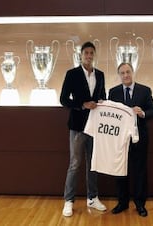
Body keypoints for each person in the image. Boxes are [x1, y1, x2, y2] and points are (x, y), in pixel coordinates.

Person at [59, 41, 107, 217]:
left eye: (91, 53)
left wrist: (102, 102)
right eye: (86, 53)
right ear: (81, 55)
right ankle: (69, 201)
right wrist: (82, 105)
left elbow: (103, 96)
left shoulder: (100, 75)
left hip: (95, 127)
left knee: (93, 165)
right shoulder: (72, 74)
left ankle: (92, 198)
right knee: (74, 164)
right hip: (78, 127)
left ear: (94, 55)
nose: (88, 55)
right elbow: (63, 99)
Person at [108, 62, 153, 217]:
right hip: (120, 139)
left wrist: (142, 113)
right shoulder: (113, 92)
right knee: (120, 171)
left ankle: (140, 204)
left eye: (128, 72)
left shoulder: (144, 90)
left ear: (132, 72)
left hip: (139, 138)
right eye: (122, 73)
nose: (125, 75)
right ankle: (122, 203)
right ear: (119, 75)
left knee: (140, 171)